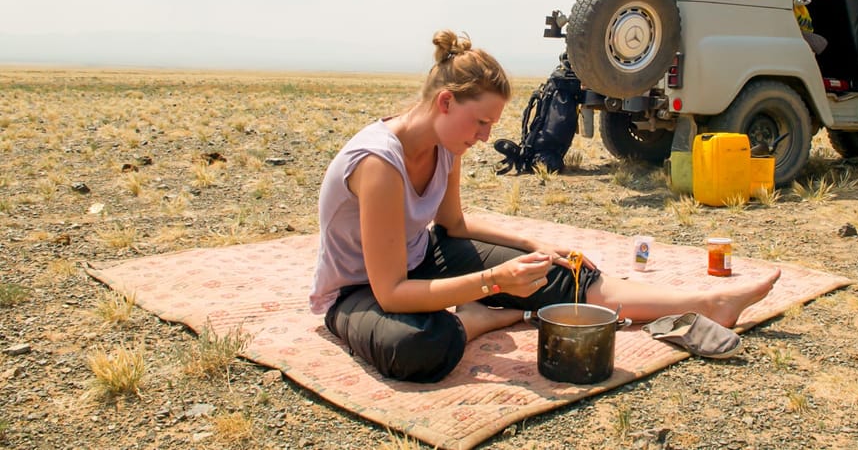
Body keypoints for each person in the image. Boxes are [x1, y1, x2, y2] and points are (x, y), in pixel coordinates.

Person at [309, 30, 781, 383]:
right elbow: (389, 292)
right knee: (416, 347)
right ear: (446, 102)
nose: (485, 137)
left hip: (419, 260)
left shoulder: (445, 146)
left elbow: (451, 225)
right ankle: (478, 316)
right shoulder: (378, 165)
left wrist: (534, 243)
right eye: (480, 122)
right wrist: (493, 281)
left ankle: (708, 303)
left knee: (558, 270)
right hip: (357, 291)